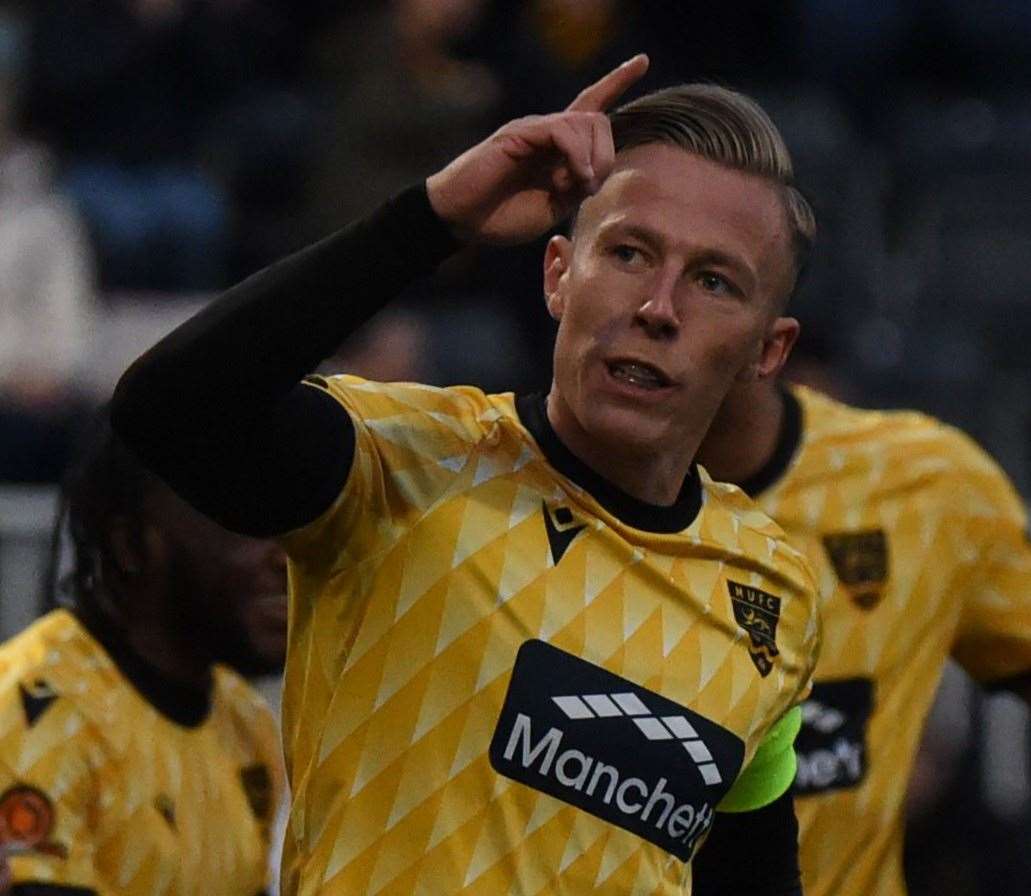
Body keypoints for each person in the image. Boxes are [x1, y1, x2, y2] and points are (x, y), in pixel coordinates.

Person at [111, 57, 822, 895]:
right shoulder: (404, 463)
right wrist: (436, 215)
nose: (657, 308)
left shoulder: (773, 590)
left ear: (766, 351)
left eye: (711, 281)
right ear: (559, 274)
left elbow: (750, 877)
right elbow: (167, 412)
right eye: (629, 252)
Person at [695, 364, 1031, 896]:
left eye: (711, 282)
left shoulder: (926, 485)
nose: (659, 309)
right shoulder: (520, 495)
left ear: (771, 337)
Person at [0, 414, 287, 894]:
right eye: (246, 526)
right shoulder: (32, 710)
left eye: (290, 526)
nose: (286, 558)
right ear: (131, 545)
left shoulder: (246, 722)